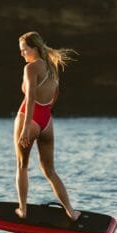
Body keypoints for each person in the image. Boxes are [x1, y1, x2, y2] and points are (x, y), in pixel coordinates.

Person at [14, 31, 80, 221]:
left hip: (29, 118)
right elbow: (56, 93)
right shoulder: (52, 67)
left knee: (22, 165)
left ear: (33, 48)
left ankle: (23, 210)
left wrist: (27, 127)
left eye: (24, 50)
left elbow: (30, 97)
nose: (22, 54)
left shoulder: (31, 68)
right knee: (50, 171)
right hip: (46, 122)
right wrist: (45, 113)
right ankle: (71, 212)